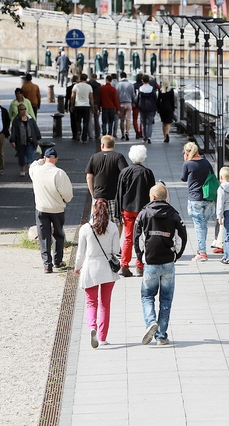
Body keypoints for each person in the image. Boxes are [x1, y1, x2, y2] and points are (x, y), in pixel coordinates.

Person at [134, 184, 187, 346]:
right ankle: (161, 336)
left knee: (147, 296)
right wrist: (175, 255)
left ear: (154, 197)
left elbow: (137, 238)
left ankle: (150, 322)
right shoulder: (175, 215)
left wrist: (141, 256)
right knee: (166, 300)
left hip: (150, 261)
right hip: (168, 262)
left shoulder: (143, 214)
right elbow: (182, 238)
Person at [74, 198, 121, 348]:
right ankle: (102, 337)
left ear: (94, 209)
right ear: (107, 210)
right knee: (105, 304)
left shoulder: (85, 228)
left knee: (91, 302)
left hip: (90, 267)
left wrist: (77, 267)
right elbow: (116, 250)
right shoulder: (113, 227)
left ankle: (92, 327)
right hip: (107, 268)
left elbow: (80, 253)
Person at [29, 147, 74, 273]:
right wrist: (65, 200)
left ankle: (47, 264)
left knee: (44, 236)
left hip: (41, 208)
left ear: (45, 158)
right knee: (58, 234)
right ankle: (58, 260)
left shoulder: (36, 171)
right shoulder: (59, 173)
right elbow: (67, 193)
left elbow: (33, 165)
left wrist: (41, 161)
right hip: (57, 208)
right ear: (56, 159)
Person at [115, 145, 155, 278]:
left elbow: (119, 192)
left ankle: (124, 265)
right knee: (142, 237)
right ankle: (140, 265)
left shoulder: (124, 172)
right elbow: (152, 193)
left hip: (127, 209)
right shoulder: (147, 173)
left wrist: (118, 210)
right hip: (142, 210)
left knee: (128, 237)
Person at [85, 135, 128, 235]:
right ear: (113, 145)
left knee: (97, 220)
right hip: (114, 196)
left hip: (98, 196)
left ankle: (99, 242)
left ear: (102, 145)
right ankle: (116, 244)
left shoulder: (94, 157)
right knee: (116, 221)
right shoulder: (118, 157)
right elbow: (125, 174)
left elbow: (89, 177)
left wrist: (93, 193)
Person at [180, 142, 216, 262]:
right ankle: (201, 249)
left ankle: (202, 252)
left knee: (199, 226)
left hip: (195, 199)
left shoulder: (188, 164)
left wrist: (186, 160)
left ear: (187, 152)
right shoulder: (206, 162)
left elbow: (183, 178)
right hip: (209, 198)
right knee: (204, 225)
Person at [9, 103, 41, 176]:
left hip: (30, 141)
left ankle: (31, 171)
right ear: (18, 111)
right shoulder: (16, 121)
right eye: (21, 109)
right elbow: (13, 131)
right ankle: (22, 171)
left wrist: (38, 138)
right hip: (20, 142)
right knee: (21, 157)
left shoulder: (30, 119)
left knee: (30, 157)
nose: (23, 111)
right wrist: (13, 140)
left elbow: (35, 128)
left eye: (24, 109)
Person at [71, 73, 94, 142]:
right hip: (86, 105)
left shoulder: (76, 86)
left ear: (80, 79)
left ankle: (78, 131)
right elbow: (91, 98)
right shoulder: (89, 87)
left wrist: (72, 105)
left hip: (77, 105)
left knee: (78, 121)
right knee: (85, 122)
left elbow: (72, 97)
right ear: (86, 79)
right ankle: (84, 137)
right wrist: (92, 106)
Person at [135, 74, 158, 144]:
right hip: (151, 108)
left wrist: (137, 106)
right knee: (150, 123)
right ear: (149, 80)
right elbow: (155, 99)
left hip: (142, 108)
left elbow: (138, 99)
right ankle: (149, 137)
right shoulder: (152, 89)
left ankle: (144, 137)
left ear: (142, 81)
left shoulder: (140, 89)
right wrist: (156, 107)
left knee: (144, 123)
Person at [116, 72, 135, 141]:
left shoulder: (118, 85)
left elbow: (116, 95)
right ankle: (127, 132)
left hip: (121, 103)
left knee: (121, 120)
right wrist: (133, 102)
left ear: (120, 77)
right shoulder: (130, 84)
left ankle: (123, 134)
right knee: (128, 119)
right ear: (126, 76)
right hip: (129, 103)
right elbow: (133, 94)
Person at [88, 73, 102, 139]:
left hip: (88, 103)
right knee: (97, 119)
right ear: (96, 78)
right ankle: (97, 134)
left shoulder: (87, 84)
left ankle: (90, 134)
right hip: (96, 103)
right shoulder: (99, 85)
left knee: (89, 120)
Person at [65, 75, 79, 139]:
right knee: (78, 120)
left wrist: (66, 107)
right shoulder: (79, 87)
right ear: (76, 80)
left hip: (71, 105)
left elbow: (67, 98)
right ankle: (79, 131)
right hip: (78, 104)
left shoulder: (69, 87)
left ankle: (74, 134)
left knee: (72, 120)